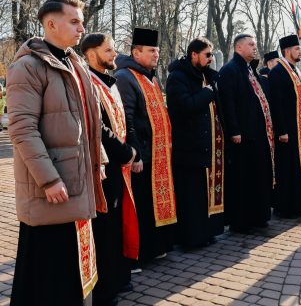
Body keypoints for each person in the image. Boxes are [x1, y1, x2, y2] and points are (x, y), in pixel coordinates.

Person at [7, 0, 104, 305]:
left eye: (82, 21)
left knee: (72, 277)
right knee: (49, 279)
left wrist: (98, 160)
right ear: (51, 24)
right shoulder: (28, 66)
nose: (82, 28)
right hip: (52, 189)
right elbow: (22, 128)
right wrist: (48, 179)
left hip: (77, 184)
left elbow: (91, 120)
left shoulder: (74, 62)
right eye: (74, 21)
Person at [81, 33, 139, 305]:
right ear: (91, 54)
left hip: (120, 166)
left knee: (117, 225)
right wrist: (126, 153)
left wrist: (133, 151)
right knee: (104, 230)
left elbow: (125, 120)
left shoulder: (110, 82)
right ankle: (104, 291)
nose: (115, 54)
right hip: (104, 166)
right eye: (109, 50)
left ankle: (118, 277)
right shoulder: (87, 82)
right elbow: (100, 129)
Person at [115, 28, 176, 267]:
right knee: (140, 207)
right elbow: (127, 119)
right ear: (136, 52)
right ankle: (139, 254)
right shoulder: (125, 77)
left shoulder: (149, 76)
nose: (156, 55)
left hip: (158, 153)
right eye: (151, 51)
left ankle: (155, 248)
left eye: (157, 51)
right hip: (142, 156)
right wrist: (136, 154)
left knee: (151, 206)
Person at [166, 37, 225, 246]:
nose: (210, 59)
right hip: (188, 147)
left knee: (203, 194)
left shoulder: (205, 75)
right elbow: (185, 106)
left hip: (207, 147)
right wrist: (208, 93)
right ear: (194, 54)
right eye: (207, 55)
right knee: (190, 196)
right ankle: (192, 238)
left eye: (211, 55)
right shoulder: (177, 77)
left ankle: (206, 233)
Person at [217, 34, 274, 233]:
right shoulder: (230, 70)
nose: (254, 48)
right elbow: (228, 103)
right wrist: (234, 130)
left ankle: (259, 215)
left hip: (258, 134)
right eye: (251, 45)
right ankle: (242, 221)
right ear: (239, 47)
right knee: (244, 179)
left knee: (258, 176)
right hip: (243, 136)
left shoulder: (250, 69)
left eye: (255, 44)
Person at [268, 34, 301, 218]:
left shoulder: (294, 70)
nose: (300, 51)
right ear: (287, 51)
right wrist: (282, 130)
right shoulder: (278, 72)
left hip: (299, 128)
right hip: (287, 131)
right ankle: (287, 206)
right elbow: (276, 103)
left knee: (297, 167)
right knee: (288, 168)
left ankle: (299, 202)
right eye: (297, 49)